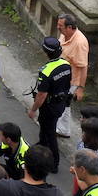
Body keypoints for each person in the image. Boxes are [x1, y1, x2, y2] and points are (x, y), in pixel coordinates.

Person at [29, 37, 72, 174]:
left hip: (49, 106)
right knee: (45, 126)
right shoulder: (66, 64)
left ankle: (54, 163)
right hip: (61, 103)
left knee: (50, 132)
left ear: (45, 52)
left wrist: (33, 110)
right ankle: (42, 144)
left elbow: (41, 95)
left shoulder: (46, 71)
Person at [56, 13, 90, 139]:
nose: (58, 27)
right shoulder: (65, 34)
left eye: (60, 26)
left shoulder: (80, 43)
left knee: (63, 104)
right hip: (61, 77)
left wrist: (80, 88)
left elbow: (83, 67)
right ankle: (62, 128)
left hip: (71, 81)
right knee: (62, 104)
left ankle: (63, 129)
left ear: (70, 27)